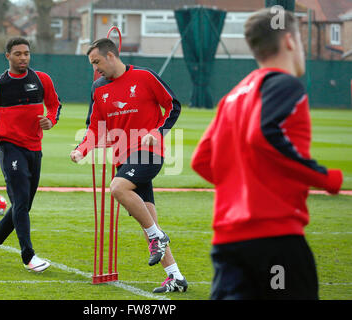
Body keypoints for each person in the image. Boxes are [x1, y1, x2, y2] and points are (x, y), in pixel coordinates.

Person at [191, 8, 343, 300]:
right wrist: (327, 179)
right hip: (276, 241)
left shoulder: (234, 95)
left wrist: (245, 186)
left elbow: (201, 160)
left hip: (228, 243)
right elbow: (263, 135)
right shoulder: (285, 84)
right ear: (289, 41)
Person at [70, 38, 187, 293]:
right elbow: (95, 128)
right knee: (147, 217)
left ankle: (158, 237)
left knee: (117, 189)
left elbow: (173, 106)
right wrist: (81, 150)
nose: (95, 68)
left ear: (111, 55)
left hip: (148, 153)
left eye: (97, 62)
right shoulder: (98, 88)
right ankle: (175, 276)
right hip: (123, 158)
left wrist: (158, 132)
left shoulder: (145, 77)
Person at [0, 37, 62, 272]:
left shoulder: (42, 79)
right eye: (18, 54)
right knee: (21, 203)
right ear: (8, 56)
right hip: (10, 147)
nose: (23, 57)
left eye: (26, 53)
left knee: (22, 205)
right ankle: (29, 257)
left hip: (34, 148)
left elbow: (55, 105)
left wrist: (51, 120)